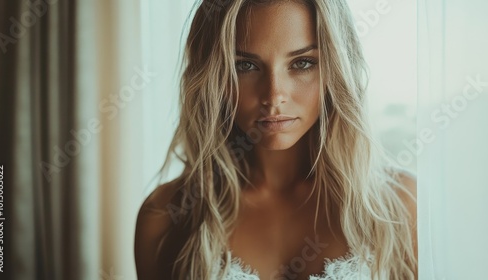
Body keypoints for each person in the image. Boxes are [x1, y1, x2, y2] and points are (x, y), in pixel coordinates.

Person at [134, 0, 417, 279]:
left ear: (337, 70)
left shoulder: (398, 207)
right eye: (245, 66)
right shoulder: (165, 217)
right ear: (212, 77)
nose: (274, 96)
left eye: (302, 63)